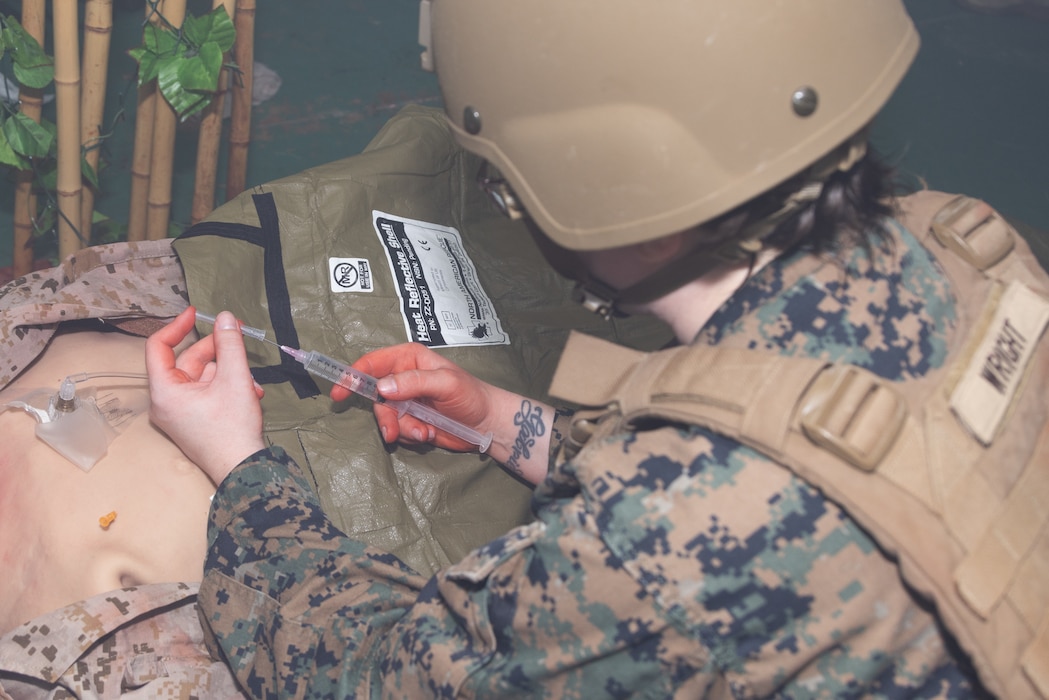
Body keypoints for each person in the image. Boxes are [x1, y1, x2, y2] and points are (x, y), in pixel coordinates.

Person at [146, 0, 1048, 698]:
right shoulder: (964, 242)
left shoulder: (661, 535)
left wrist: (240, 467)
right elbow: (818, 439)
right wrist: (509, 424)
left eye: (506, 183)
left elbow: (387, 676)